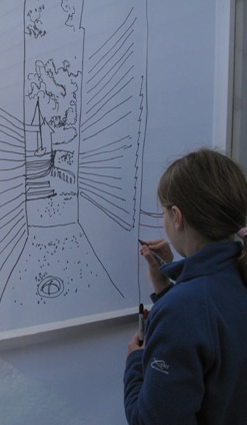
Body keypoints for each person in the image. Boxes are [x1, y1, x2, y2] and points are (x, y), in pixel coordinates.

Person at [124, 148, 247, 424]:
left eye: (164, 213)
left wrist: (135, 363)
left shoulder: (181, 311)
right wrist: (166, 284)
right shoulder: (238, 275)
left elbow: (150, 421)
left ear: (177, 216)